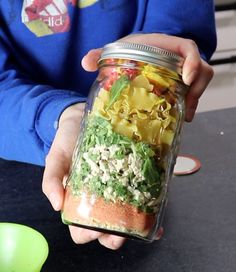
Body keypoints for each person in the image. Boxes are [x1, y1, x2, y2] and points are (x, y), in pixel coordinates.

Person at [0, 0, 216, 250]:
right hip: (19, 151)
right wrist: (59, 116)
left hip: (143, 160)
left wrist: (160, 62)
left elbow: (179, 27)